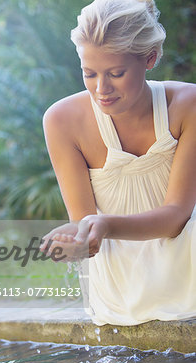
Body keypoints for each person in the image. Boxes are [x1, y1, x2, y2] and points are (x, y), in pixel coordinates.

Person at [40, 0, 196, 326]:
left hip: (186, 252)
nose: (102, 89)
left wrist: (106, 225)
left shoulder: (187, 105)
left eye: (116, 73)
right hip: (122, 275)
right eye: (89, 73)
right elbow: (83, 222)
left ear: (149, 59)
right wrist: (74, 242)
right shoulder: (61, 120)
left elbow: (176, 217)